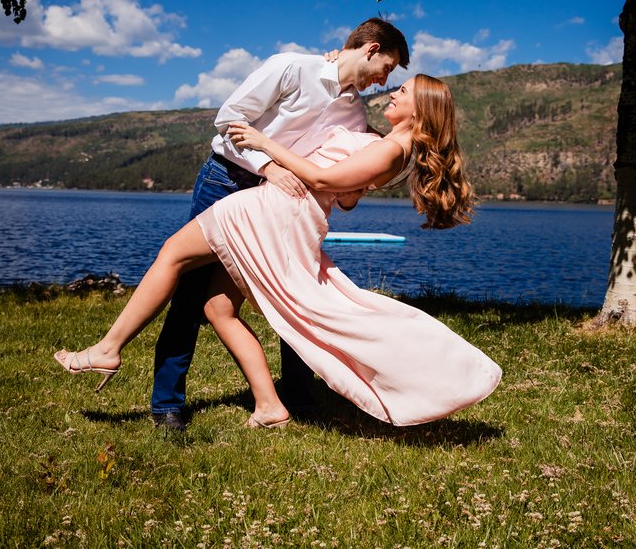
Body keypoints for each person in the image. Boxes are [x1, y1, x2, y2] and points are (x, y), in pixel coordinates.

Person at [54, 75, 501, 428]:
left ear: (421, 109)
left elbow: (327, 184)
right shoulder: (385, 143)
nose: (391, 92)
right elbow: (344, 195)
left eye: (402, 91)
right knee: (217, 308)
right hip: (287, 214)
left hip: (273, 208)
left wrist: (265, 144)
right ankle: (270, 405)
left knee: (172, 252)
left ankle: (108, 348)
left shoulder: (390, 150)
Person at [150, 18, 410, 431]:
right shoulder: (291, 67)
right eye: (388, 68)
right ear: (372, 49)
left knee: (291, 294)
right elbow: (229, 117)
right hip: (227, 180)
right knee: (190, 291)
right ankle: (166, 405)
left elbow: (355, 163)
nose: (384, 80)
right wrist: (267, 166)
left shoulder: (354, 112)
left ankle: (300, 397)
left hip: (279, 204)